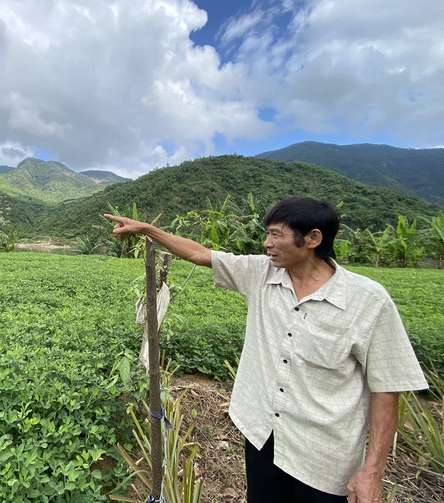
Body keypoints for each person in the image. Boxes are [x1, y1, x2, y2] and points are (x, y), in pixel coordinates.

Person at [105, 197, 428, 503]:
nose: (266, 243)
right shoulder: (261, 273)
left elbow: (388, 387)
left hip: (325, 455)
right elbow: (200, 254)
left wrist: (372, 471)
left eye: (276, 235)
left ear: (313, 238)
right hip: (262, 433)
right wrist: (147, 229)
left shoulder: (368, 300)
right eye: (267, 234)